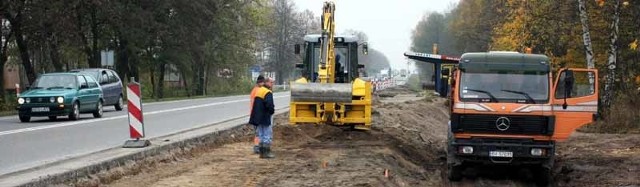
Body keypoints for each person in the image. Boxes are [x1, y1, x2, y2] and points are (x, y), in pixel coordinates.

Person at [249, 77, 275, 159]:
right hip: (265, 116)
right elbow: (269, 105)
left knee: (261, 134)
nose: (272, 84)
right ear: (267, 82)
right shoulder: (267, 92)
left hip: (258, 117)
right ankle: (266, 152)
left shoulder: (259, 90)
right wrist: (271, 111)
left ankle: (261, 152)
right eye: (271, 82)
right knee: (267, 134)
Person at [249, 75, 265, 154]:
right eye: (262, 82)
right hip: (257, 113)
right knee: (259, 131)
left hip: (254, 113)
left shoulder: (254, 90)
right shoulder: (259, 90)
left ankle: (257, 146)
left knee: (258, 131)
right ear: (260, 82)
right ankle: (257, 147)